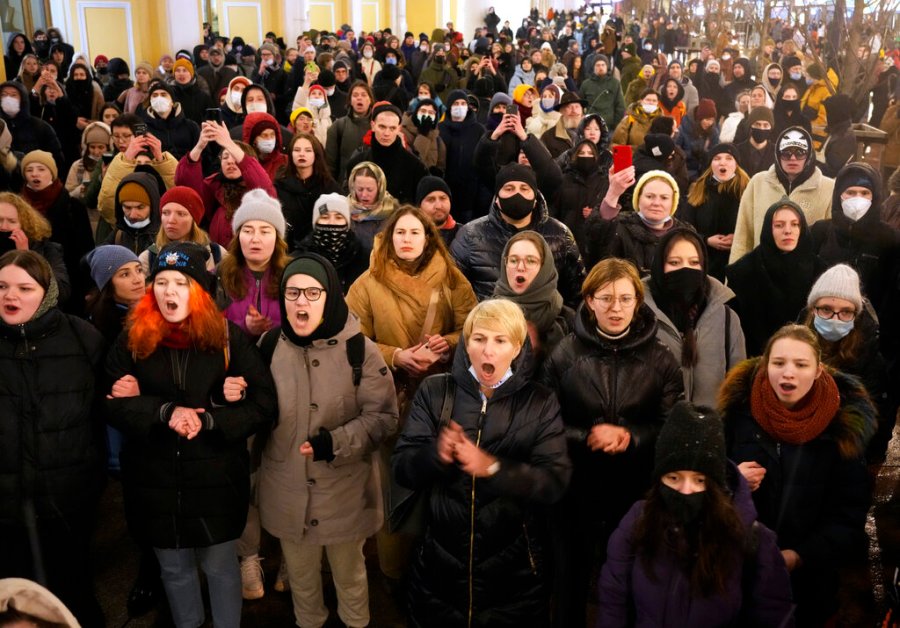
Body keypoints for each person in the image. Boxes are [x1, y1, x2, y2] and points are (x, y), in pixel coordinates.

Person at [104, 242, 277, 628]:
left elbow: (264, 405)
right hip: (154, 481)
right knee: (174, 569)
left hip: (215, 479)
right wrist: (162, 411)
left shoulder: (228, 338)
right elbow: (109, 402)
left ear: (199, 290)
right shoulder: (133, 337)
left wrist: (213, 418)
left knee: (220, 566)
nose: (169, 292)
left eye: (180, 283)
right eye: (161, 282)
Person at [393, 298, 571, 627]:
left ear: (517, 347)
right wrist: (435, 454)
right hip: (438, 571)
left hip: (513, 576)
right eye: (479, 338)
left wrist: (492, 468)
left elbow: (553, 482)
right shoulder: (436, 391)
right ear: (466, 342)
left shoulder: (540, 403)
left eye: (500, 340)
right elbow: (402, 467)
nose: (488, 351)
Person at [540, 257, 683, 628]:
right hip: (574, 487)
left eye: (624, 298)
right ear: (588, 301)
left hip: (634, 489)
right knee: (569, 581)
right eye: (605, 298)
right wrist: (586, 436)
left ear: (638, 301)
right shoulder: (564, 354)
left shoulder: (662, 358)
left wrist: (630, 437)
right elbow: (543, 422)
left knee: (628, 582)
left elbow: (669, 426)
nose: (615, 308)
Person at [258, 253, 399, 628]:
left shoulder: (361, 351)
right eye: (292, 293)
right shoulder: (269, 346)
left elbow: (383, 418)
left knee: (350, 577)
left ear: (331, 296)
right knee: (302, 581)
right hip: (287, 489)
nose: (301, 301)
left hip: (345, 494)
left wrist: (334, 442)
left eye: (312, 292)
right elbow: (256, 411)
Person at [720, 324, 876, 626]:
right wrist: (732, 478)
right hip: (741, 570)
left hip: (809, 584)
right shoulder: (737, 414)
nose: (787, 373)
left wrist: (800, 555)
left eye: (801, 364)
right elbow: (707, 483)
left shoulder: (841, 432)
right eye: (778, 363)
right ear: (766, 366)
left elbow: (849, 517)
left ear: (818, 370)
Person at [597, 401, 794, 627]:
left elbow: (774, 615)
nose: (686, 490)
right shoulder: (638, 521)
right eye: (674, 478)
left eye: (699, 480)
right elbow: (613, 599)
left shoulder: (751, 538)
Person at [0, 249, 106, 628]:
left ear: (45, 293)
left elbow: (101, 414)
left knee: (71, 591)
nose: (10, 296)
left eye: (24, 288)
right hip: (5, 505)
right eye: (1, 286)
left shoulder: (82, 338)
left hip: (67, 499)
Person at [451, 163, 585, 305]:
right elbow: (453, 292)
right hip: (490, 322)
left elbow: (577, 294)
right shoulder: (470, 235)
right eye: (509, 189)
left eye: (524, 189)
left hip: (545, 325)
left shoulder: (560, 234)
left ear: (535, 198)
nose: (517, 194)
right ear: (497, 198)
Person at [643, 228, 745, 407]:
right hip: (655, 432)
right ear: (659, 265)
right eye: (674, 262)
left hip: (712, 431)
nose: (685, 269)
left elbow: (738, 388)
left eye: (694, 262)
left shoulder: (727, 318)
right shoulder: (640, 316)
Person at [726, 199, 827, 356]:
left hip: (806, 358)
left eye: (795, 224)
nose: (788, 231)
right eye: (779, 225)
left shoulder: (820, 271)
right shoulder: (744, 271)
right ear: (768, 228)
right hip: (755, 359)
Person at [729, 126, 834, 263]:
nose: (793, 158)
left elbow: (830, 243)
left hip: (805, 276)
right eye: (786, 152)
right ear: (777, 154)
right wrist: (733, 279)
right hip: (762, 273)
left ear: (809, 155)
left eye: (800, 152)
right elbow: (742, 238)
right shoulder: (758, 182)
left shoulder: (829, 187)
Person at [175, 120, 275, 247]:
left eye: (234, 156)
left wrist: (228, 143)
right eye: (225, 157)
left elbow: (263, 188)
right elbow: (185, 185)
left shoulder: (257, 186)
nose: (230, 161)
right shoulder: (212, 186)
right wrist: (200, 145)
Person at [19, 149, 93, 308]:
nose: (35, 174)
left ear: (52, 173)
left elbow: (86, 249)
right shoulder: (17, 208)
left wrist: (88, 286)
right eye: (29, 170)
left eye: (41, 169)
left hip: (68, 281)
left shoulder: (73, 207)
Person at [492, 231, 574, 365]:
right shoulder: (485, 315)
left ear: (544, 267)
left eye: (530, 261)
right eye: (513, 260)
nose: (520, 267)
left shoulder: (567, 319)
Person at [585, 168, 689, 274]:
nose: (656, 203)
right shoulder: (620, 227)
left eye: (664, 198)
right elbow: (596, 245)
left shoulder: (686, 234)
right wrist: (613, 193)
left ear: (673, 202)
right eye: (649, 196)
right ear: (638, 199)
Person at [218, 189, 289, 339]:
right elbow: (208, 327)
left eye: (264, 232)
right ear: (238, 237)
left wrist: (270, 330)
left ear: (277, 238)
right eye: (248, 231)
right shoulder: (218, 276)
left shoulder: (291, 276)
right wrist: (244, 327)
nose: (255, 239)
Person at [678, 144, 750, 280]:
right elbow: (685, 227)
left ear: (736, 164)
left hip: (738, 265)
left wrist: (738, 239)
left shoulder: (748, 190)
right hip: (704, 264)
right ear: (711, 164)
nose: (722, 162)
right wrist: (706, 240)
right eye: (717, 158)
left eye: (729, 158)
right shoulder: (698, 190)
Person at [345, 101, 428, 205]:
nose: (386, 133)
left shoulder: (415, 167)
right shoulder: (355, 164)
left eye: (392, 128)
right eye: (382, 127)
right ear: (373, 126)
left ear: (399, 129)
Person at [139, 185, 227, 275]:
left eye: (181, 214)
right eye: (165, 213)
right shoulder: (149, 258)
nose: (171, 220)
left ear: (194, 220)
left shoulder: (217, 254)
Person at [0, 192, 70, 300]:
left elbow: (61, 291)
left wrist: (27, 258)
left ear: (24, 224)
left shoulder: (46, 248)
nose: (4, 227)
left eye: (11, 221)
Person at [275, 133, 340, 249]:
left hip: (320, 246)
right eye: (297, 150)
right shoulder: (280, 185)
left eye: (308, 150)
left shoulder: (329, 186)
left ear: (316, 154)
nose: (302, 154)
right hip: (286, 246)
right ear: (291, 154)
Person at [294, 193, 368, 294]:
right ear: (315, 222)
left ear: (347, 223)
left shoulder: (364, 258)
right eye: (325, 217)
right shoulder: (298, 259)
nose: (331, 222)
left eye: (338, 217)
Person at [106, 172, 161, 253]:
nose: (133, 215)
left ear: (153, 206)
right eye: (127, 207)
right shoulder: (117, 235)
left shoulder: (166, 236)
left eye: (140, 207)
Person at [675, 97, 720, 180]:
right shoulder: (684, 128)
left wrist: (706, 154)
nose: (709, 123)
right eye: (707, 119)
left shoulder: (714, 132)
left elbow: (716, 151)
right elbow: (676, 151)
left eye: (712, 120)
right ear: (700, 118)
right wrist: (691, 153)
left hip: (705, 171)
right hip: (686, 170)